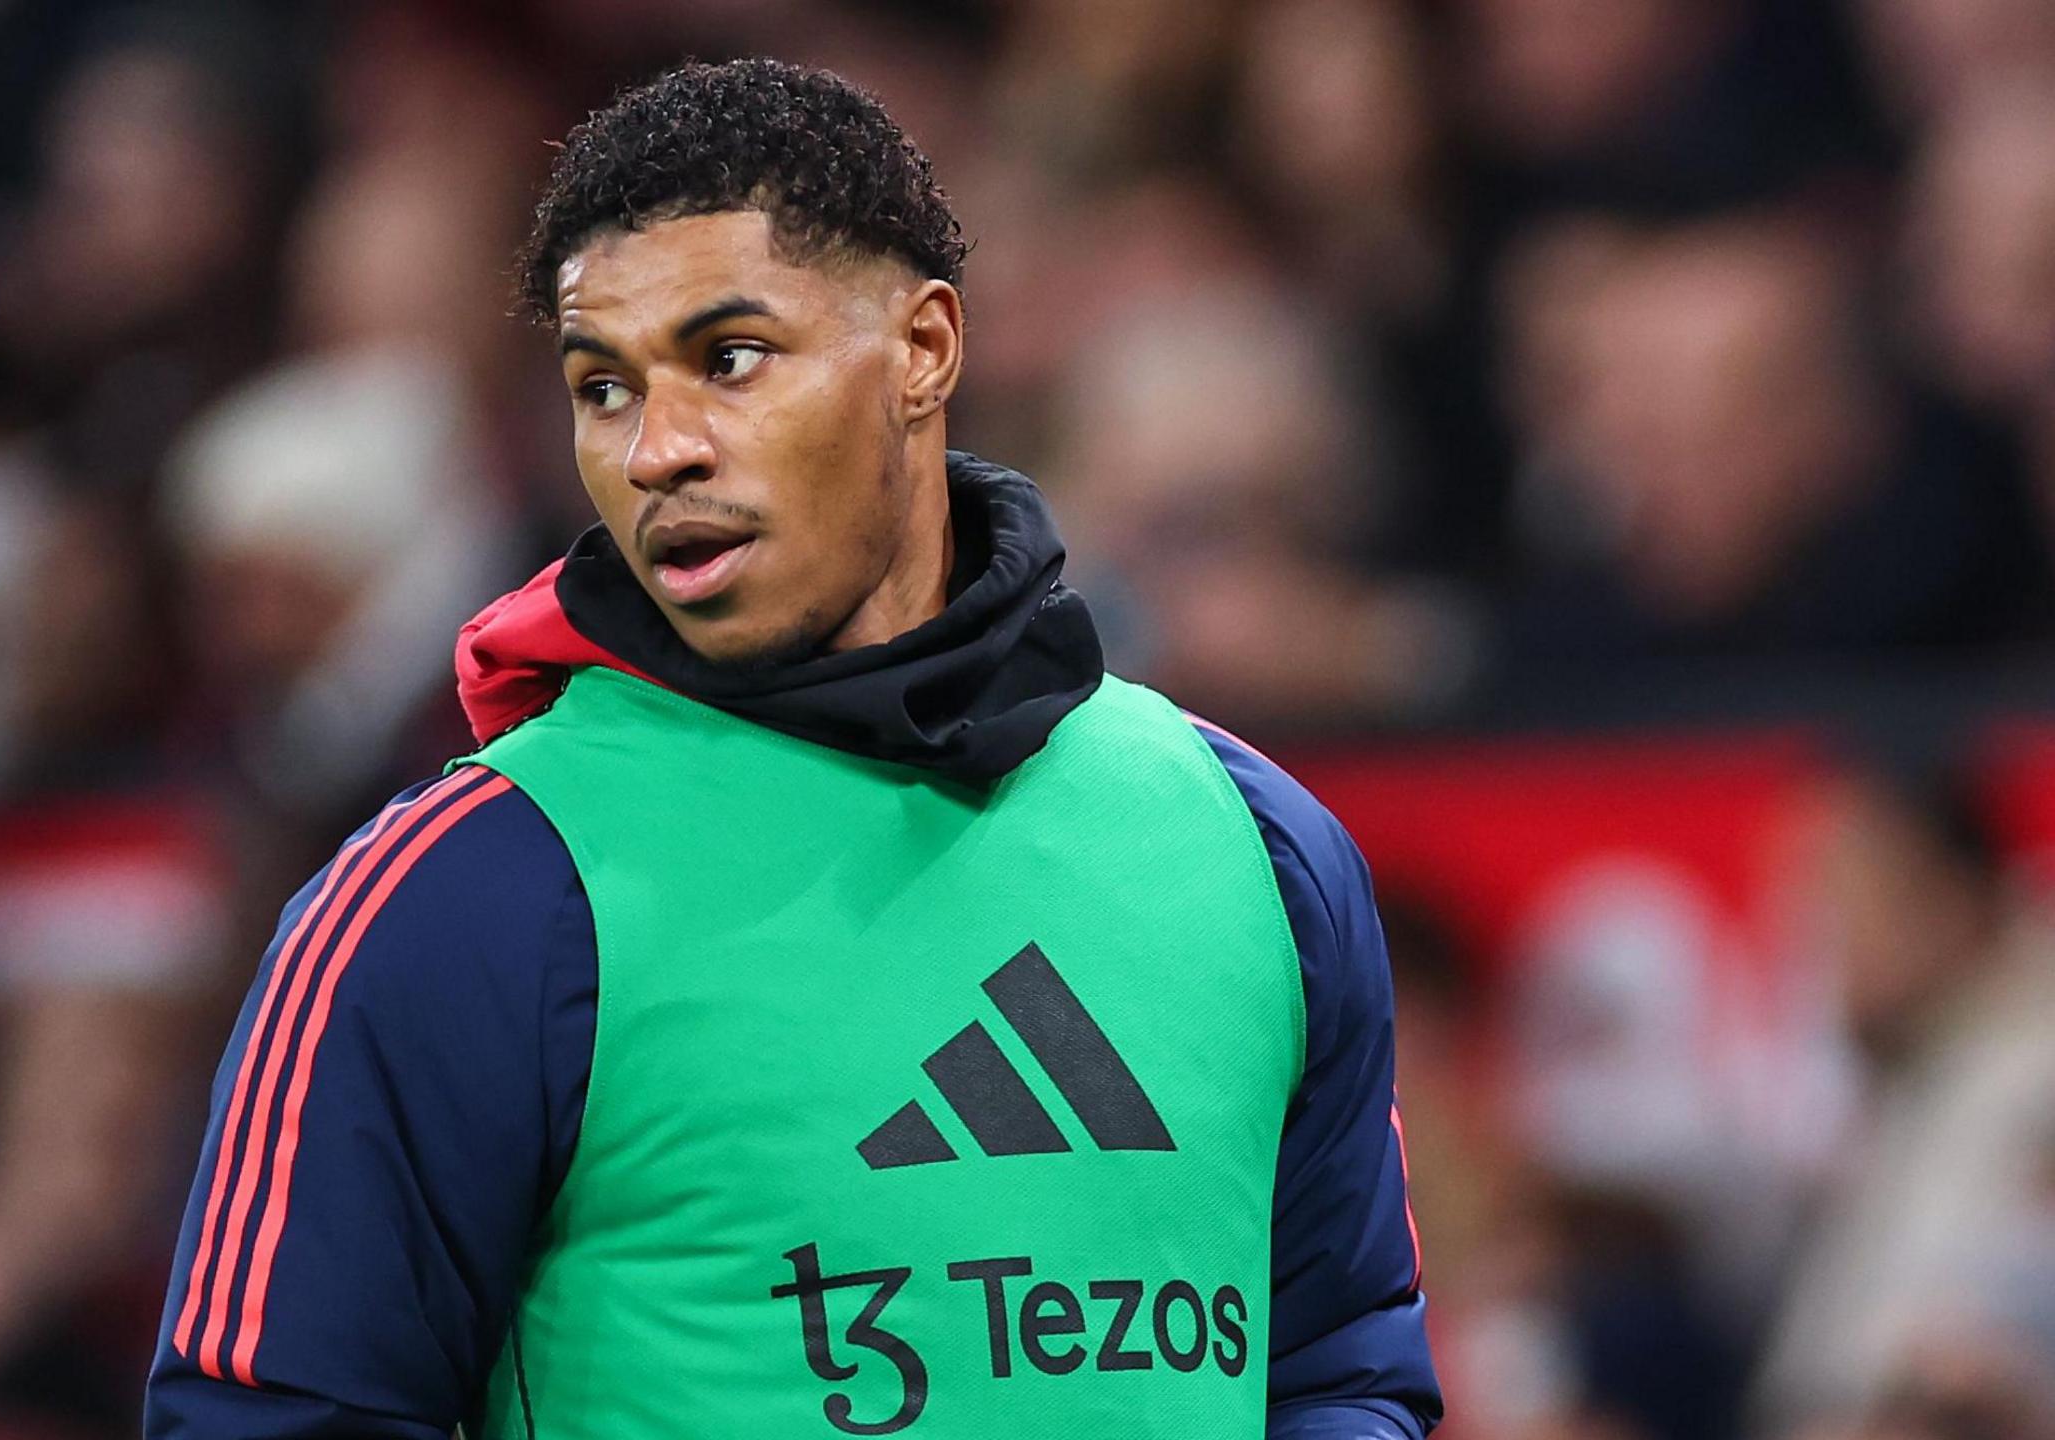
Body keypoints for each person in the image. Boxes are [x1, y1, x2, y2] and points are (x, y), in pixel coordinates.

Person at [145, 59, 1439, 1439]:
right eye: (602, 387)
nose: (659, 450)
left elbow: (1340, 1369)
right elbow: (272, 1417)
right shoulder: (460, 896)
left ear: (927, 351)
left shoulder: (1256, 843)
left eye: (731, 358)